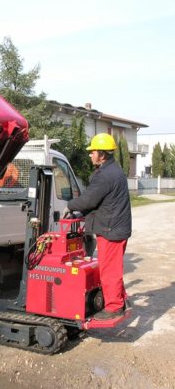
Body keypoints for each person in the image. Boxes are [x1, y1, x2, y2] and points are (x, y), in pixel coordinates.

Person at [64, 132, 131, 320]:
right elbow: (100, 202)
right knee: (113, 268)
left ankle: (114, 307)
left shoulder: (105, 175)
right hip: (115, 227)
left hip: (111, 230)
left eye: (92, 151)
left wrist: (69, 206)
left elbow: (88, 200)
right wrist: (80, 213)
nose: (90, 155)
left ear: (101, 153)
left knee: (109, 271)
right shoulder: (113, 170)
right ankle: (119, 299)